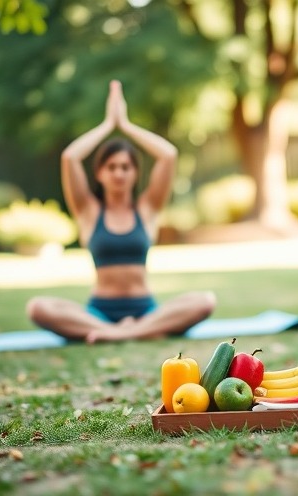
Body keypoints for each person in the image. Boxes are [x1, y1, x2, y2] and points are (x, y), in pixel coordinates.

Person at [26, 80, 216, 343]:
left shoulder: (148, 209)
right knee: (37, 307)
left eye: (126, 167)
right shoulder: (88, 211)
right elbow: (70, 157)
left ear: (135, 173)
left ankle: (123, 333)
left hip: (146, 310)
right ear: (99, 173)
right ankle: (128, 332)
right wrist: (107, 125)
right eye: (111, 166)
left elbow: (168, 155)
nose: (118, 173)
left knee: (205, 301)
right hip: (98, 313)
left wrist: (126, 125)